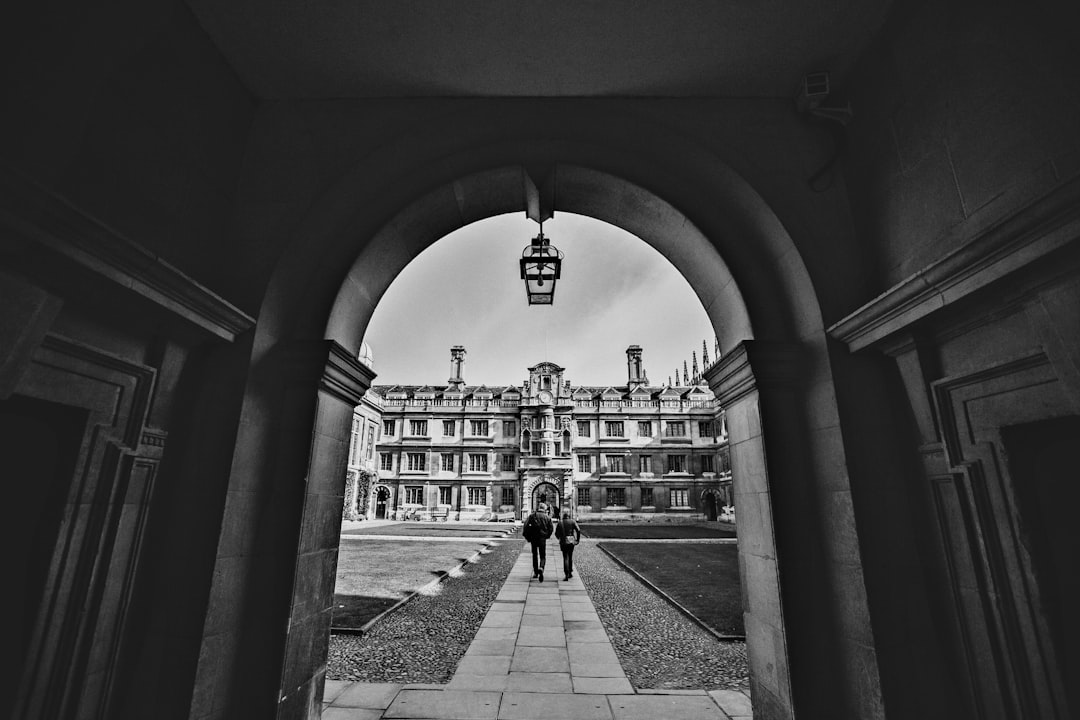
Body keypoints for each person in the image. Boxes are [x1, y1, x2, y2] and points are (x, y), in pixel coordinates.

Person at [522, 501, 554, 582]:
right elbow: (551, 528)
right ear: (544, 509)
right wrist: (547, 536)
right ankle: (541, 568)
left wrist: (528, 537)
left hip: (533, 538)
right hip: (542, 538)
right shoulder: (547, 517)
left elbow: (525, 526)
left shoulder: (532, 516)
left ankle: (536, 572)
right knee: (542, 555)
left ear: (538, 508)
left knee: (535, 555)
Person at [553, 509, 582, 581]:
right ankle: (570, 572)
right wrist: (577, 540)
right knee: (570, 556)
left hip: (563, 541)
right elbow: (578, 530)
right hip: (571, 540)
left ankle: (566, 574)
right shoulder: (572, 521)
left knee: (565, 557)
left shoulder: (560, 522)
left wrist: (559, 538)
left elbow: (556, 533)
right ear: (569, 516)